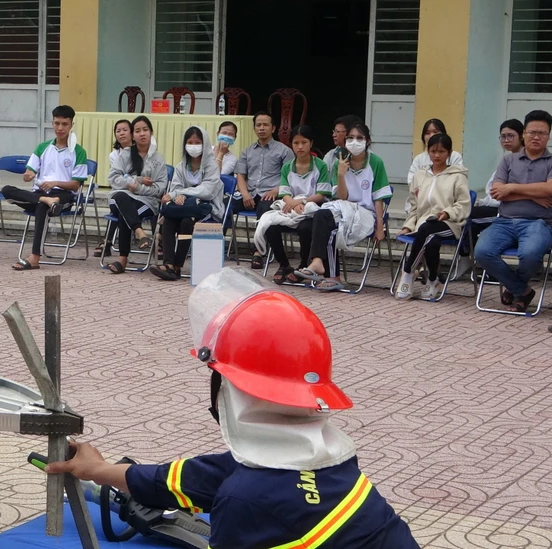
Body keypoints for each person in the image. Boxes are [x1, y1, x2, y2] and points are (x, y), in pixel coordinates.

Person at [47, 269, 421, 549]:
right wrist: (101, 470)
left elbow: (234, 491)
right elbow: (193, 478)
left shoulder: (246, 500)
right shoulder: (324, 460)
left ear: (231, 390)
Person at [295, 122, 392, 292]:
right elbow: (341, 197)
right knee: (320, 217)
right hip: (344, 207)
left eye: (359, 138)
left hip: (365, 213)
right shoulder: (340, 161)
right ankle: (318, 263)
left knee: (330, 227)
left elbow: (378, 197)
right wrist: (340, 175)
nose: (355, 141)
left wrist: (380, 225)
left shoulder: (376, 162)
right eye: (350, 138)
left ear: (368, 141)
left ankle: (331, 275)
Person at [474, 109, 552, 313]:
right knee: (482, 252)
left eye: (542, 133)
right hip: (505, 221)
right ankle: (521, 290)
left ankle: (514, 288)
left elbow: (550, 189)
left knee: (530, 254)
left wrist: (512, 188)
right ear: (524, 133)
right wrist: (534, 194)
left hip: (538, 223)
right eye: (532, 132)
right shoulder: (508, 161)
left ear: (548, 135)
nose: (536, 137)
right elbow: (497, 192)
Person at [1, 105, 87, 271]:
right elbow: (28, 173)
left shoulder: (78, 151)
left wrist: (55, 183)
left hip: (63, 196)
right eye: (57, 123)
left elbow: (76, 184)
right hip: (42, 193)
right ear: (52, 123)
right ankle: (46, 200)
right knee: (6, 189)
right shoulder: (43, 147)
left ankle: (34, 257)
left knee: (42, 206)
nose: (60, 128)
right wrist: (28, 175)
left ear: (71, 125)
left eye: (64, 124)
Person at [395, 133, 471, 301]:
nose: (437, 155)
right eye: (433, 151)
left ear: (449, 153)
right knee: (431, 239)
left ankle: (407, 272)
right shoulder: (420, 175)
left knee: (427, 231)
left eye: (442, 151)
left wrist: (447, 213)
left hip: (450, 224)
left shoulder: (457, 176)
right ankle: (433, 279)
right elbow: (414, 207)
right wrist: (408, 226)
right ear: (427, 151)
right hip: (424, 225)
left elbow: (464, 205)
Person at [149, 126, 224, 281]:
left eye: (197, 142)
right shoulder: (181, 166)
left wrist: (182, 193)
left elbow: (207, 191)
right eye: (189, 142)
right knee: (169, 221)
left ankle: (177, 266)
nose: (193, 146)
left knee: (186, 222)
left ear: (204, 144)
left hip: (206, 208)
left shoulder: (211, 166)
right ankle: (169, 265)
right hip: (183, 206)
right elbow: (176, 187)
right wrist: (177, 196)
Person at [261, 125, 333, 285]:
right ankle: (284, 265)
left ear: (311, 143)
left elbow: (322, 194)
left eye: (304, 142)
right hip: (291, 208)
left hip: (311, 209)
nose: (300, 147)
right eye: (296, 143)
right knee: (270, 227)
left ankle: (303, 265)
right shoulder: (288, 166)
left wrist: (301, 201)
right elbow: (284, 193)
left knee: (306, 228)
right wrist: (292, 204)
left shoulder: (320, 166)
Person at [105, 115, 168, 274]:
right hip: (122, 197)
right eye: (138, 131)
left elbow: (160, 189)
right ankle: (140, 233)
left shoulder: (158, 159)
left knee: (124, 213)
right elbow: (113, 178)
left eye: (145, 130)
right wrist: (133, 181)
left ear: (151, 133)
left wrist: (138, 189)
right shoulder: (125, 154)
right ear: (133, 135)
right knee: (120, 198)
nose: (142, 134)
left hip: (146, 201)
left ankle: (122, 260)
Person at [232, 111, 292, 269]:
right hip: (250, 194)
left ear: (273, 128)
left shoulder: (284, 151)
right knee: (225, 205)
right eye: (258, 125)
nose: (262, 128)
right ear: (254, 128)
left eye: (265, 125)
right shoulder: (247, 151)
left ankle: (258, 252)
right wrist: (244, 194)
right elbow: (240, 176)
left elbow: (291, 178)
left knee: (264, 209)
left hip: (272, 194)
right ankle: (214, 243)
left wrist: (276, 190)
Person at [94, 118, 133, 258]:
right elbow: (119, 178)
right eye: (118, 131)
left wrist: (132, 179)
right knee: (119, 202)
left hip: (139, 192)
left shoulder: (140, 151)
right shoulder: (114, 155)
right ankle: (108, 242)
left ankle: (108, 242)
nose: (121, 133)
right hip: (122, 190)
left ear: (132, 132)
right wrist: (131, 179)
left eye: (125, 130)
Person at [407, 118, 464, 185]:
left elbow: (459, 181)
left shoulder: (455, 156)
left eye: (435, 132)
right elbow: (411, 181)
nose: (431, 135)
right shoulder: (419, 159)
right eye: (427, 133)